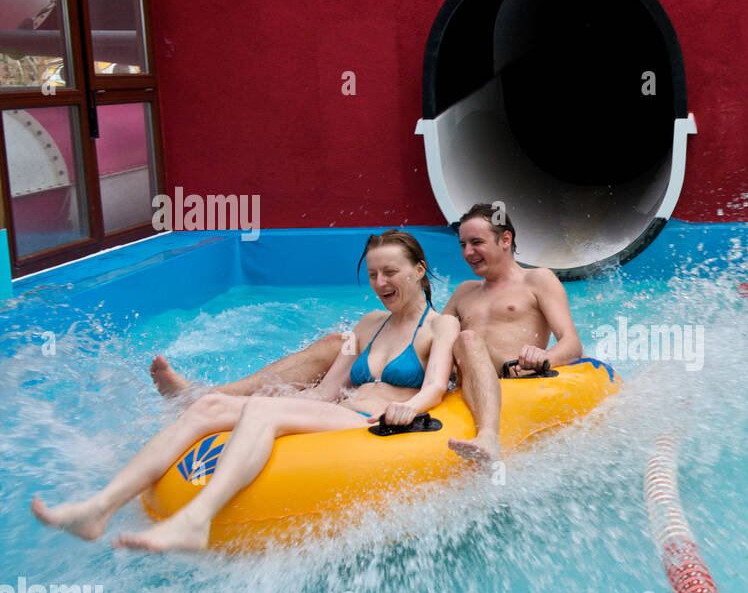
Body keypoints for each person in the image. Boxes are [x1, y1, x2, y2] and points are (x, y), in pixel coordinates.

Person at [32, 230, 459, 552]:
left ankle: (197, 519)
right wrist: (265, 399)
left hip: (371, 423)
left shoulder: (442, 326)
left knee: (261, 415)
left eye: (390, 272)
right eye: (372, 273)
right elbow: (328, 390)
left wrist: (409, 409)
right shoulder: (367, 326)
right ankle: (99, 508)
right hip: (341, 410)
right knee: (212, 405)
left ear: (419, 271)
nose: (380, 281)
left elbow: (436, 386)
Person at [149, 205, 583, 465]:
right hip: (458, 375)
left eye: (477, 243)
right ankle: (208, 394)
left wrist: (546, 359)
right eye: (463, 244)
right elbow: (425, 332)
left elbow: (571, 343)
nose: (467, 252)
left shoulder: (538, 280)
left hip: (507, 373)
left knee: (468, 340)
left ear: (505, 239)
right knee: (339, 343)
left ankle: (488, 435)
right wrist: (359, 351)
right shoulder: (466, 293)